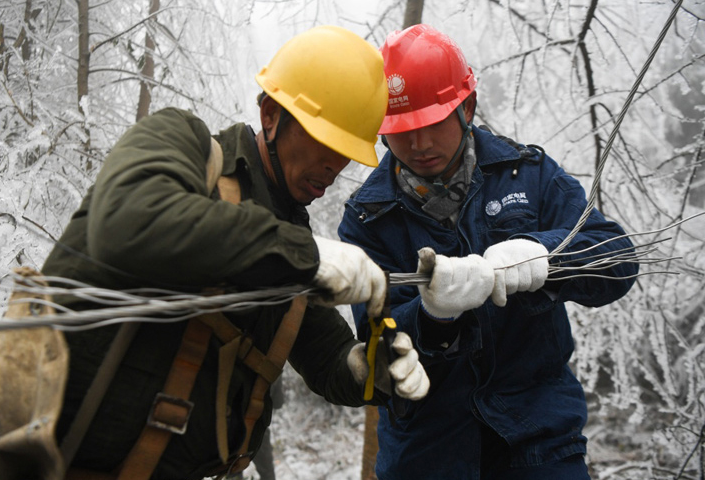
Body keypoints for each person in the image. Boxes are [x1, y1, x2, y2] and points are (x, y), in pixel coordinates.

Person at [39, 25, 430, 480]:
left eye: (345, 154)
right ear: (270, 116)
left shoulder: (292, 239)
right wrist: (303, 255)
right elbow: (128, 221)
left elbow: (326, 358)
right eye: (325, 142)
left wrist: (366, 369)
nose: (334, 166)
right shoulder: (181, 143)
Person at [338, 24, 639, 480]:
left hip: (540, 445)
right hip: (428, 458)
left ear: (468, 107)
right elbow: (381, 351)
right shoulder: (367, 219)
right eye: (402, 131)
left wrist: (543, 255)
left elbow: (617, 259)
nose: (418, 145)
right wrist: (434, 317)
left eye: (432, 123)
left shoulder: (529, 177)